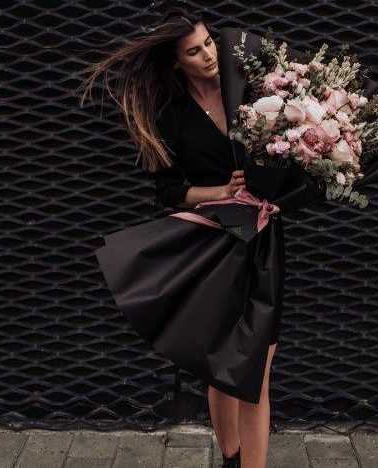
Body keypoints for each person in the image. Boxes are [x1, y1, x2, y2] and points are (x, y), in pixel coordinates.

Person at [80, 7, 287, 468]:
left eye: (209, 42)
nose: (209, 55)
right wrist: (222, 192)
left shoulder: (252, 90)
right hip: (213, 247)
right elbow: (170, 191)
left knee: (257, 372)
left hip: (263, 242)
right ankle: (231, 459)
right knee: (223, 368)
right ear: (177, 63)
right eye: (194, 51)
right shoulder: (170, 115)